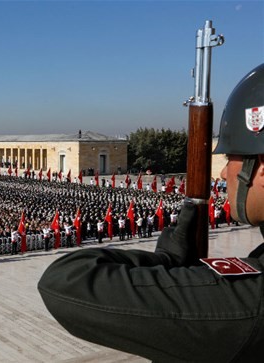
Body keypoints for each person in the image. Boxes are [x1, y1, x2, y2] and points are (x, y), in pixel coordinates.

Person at [38, 63, 264, 361]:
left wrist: (166, 260)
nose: (222, 173)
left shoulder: (252, 302)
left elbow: (65, 281)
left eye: (232, 157)